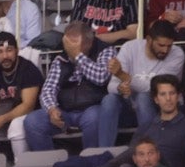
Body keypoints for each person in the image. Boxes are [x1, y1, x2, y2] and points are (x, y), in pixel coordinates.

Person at [24, 22, 118, 154]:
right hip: (65, 111)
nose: (68, 47)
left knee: (95, 117)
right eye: (67, 42)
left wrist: (78, 57)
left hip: (92, 107)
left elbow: (101, 77)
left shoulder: (106, 50)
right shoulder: (61, 57)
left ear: (88, 43)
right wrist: (52, 109)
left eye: (73, 43)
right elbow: (48, 89)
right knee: (32, 121)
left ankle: (91, 165)